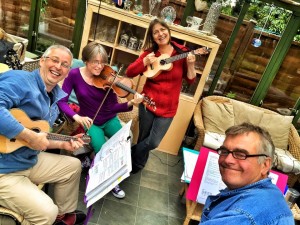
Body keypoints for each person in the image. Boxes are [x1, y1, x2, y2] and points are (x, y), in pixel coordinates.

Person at [0, 45, 87, 225]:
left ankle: (62, 218)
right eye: (54, 60)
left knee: (73, 166)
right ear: (42, 61)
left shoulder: (53, 97)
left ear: (67, 72)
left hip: (26, 160)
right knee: (47, 211)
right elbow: (31, 137)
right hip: (3, 170)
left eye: (64, 64)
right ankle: (47, 218)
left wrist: (63, 144)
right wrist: (28, 136)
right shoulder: (20, 80)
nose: (58, 67)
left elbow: (40, 138)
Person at [57, 42, 143, 199]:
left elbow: (112, 108)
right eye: (95, 62)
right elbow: (61, 101)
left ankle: (105, 169)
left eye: (103, 61)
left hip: (109, 119)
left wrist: (131, 103)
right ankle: (111, 182)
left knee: (123, 141)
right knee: (103, 150)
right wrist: (77, 117)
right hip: (91, 122)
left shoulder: (108, 77)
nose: (100, 66)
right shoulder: (74, 75)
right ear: (86, 60)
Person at [126, 18, 207, 173]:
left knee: (153, 142)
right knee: (143, 137)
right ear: (152, 36)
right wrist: (144, 62)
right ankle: (137, 165)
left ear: (168, 31)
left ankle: (130, 153)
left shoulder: (182, 52)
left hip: (168, 107)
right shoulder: (150, 53)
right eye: (155, 32)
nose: (160, 34)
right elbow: (130, 72)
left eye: (162, 30)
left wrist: (191, 64)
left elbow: (190, 80)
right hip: (148, 102)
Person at [200, 123, 294, 224]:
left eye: (241, 154)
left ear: (265, 165)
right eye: (224, 151)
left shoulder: (242, 216)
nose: (227, 160)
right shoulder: (270, 192)